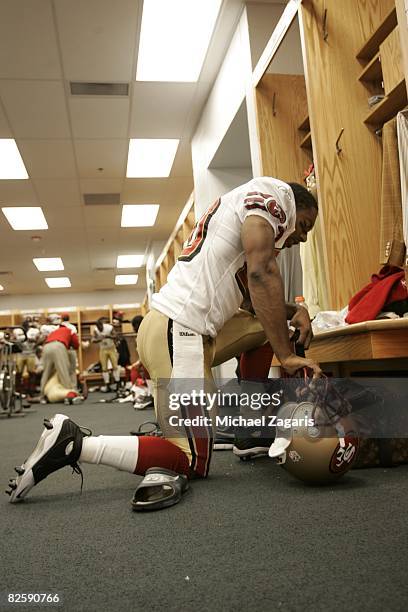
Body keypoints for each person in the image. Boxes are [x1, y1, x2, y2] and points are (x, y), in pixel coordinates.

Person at [7, 177, 322, 509]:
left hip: (177, 330)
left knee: (271, 327)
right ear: (293, 204)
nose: (301, 236)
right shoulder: (275, 196)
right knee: (192, 461)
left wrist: (294, 311)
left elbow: (254, 302)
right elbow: (262, 273)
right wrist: (287, 357)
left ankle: (249, 429)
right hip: (179, 333)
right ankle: (75, 443)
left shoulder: (239, 207)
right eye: (304, 225)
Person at [40, 323, 82, 405]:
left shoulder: (54, 332)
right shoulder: (69, 330)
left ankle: (42, 396)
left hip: (46, 347)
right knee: (63, 370)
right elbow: (76, 344)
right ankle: (70, 393)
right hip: (58, 346)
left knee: (46, 372)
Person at [92, 318, 121, 392]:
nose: (100, 329)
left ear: (102, 325)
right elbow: (93, 340)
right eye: (98, 328)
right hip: (103, 349)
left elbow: (116, 336)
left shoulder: (109, 328)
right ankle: (107, 385)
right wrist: (99, 339)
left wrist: (108, 336)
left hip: (111, 348)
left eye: (100, 327)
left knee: (115, 366)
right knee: (104, 368)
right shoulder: (96, 330)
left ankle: (118, 383)